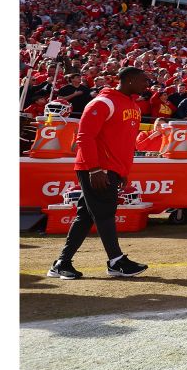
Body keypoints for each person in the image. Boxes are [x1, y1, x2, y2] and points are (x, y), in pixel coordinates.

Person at [47, 66, 150, 279]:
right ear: (129, 80)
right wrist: (95, 168)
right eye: (143, 80)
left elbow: (125, 143)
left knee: (86, 216)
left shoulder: (134, 106)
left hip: (110, 169)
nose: (146, 84)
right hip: (97, 169)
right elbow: (84, 137)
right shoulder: (103, 102)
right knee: (104, 213)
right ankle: (116, 261)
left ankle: (62, 263)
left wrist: (123, 171)